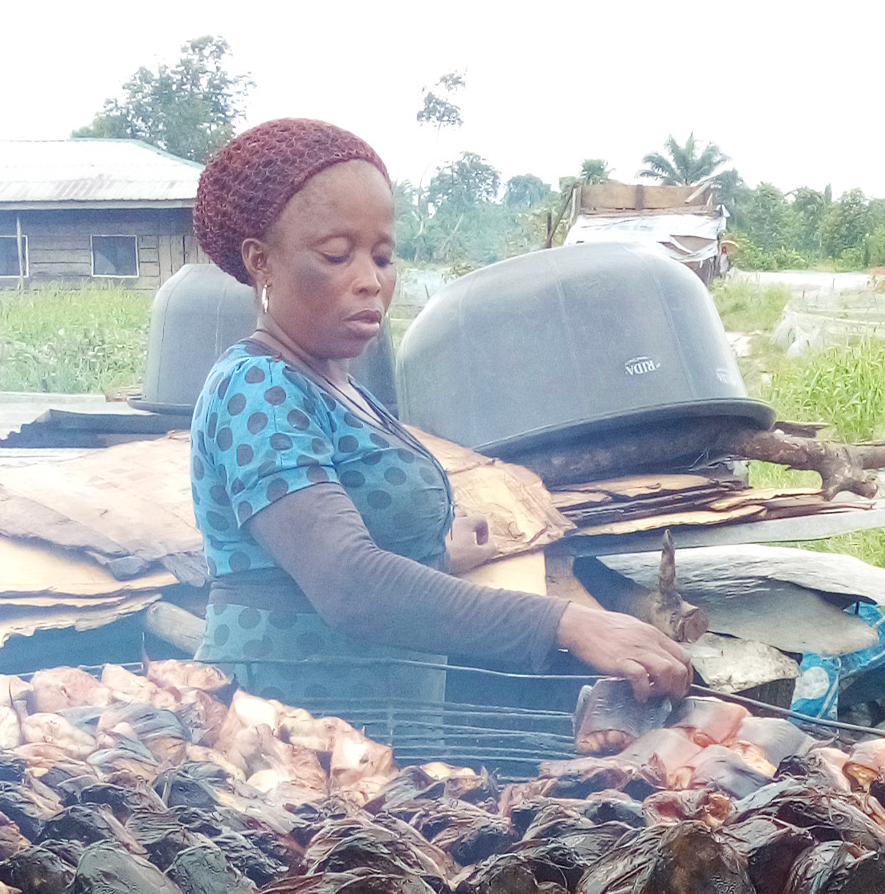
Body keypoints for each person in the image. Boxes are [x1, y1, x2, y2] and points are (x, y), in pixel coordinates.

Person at [188, 117, 692, 712]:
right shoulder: (257, 388)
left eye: (381, 257)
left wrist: (439, 551)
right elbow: (345, 581)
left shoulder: (337, 382)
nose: (370, 283)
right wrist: (569, 623)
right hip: (285, 731)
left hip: (376, 724)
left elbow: (332, 538)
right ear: (262, 263)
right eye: (335, 255)